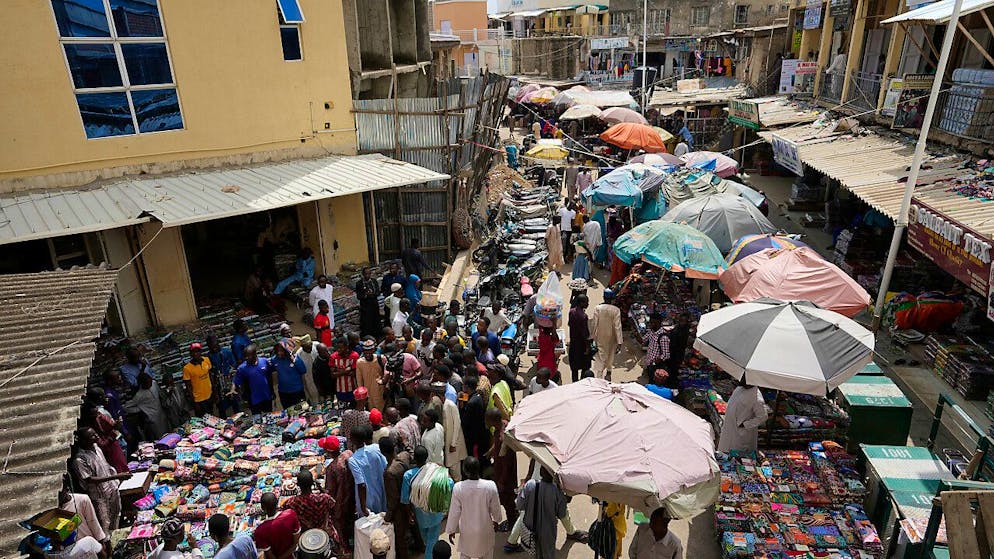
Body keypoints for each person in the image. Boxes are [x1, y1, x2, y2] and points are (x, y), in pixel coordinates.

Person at [71, 427, 131, 533]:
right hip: (99, 496)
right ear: (84, 440)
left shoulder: (97, 448)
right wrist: (116, 476)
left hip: (111, 488)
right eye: (92, 436)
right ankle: (109, 544)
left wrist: (115, 478)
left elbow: (105, 466)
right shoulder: (80, 459)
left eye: (95, 434)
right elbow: (89, 479)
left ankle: (115, 536)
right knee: (104, 523)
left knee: (116, 514)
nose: (97, 436)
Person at [446, 457, 502, 559]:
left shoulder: (458, 488)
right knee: (487, 553)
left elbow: (454, 512)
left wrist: (451, 530)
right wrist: (497, 520)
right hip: (485, 530)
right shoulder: (490, 486)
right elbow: (496, 508)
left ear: (465, 471)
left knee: (465, 554)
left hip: (467, 532)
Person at [401, 446, 451, 558]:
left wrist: (410, 515)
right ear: (427, 457)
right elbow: (450, 483)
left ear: (414, 458)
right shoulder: (435, 472)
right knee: (431, 542)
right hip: (435, 513)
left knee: (428, 541)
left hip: (419, 515)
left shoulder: (408, 475)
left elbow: (405, 499)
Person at [517, 467, 568, 559]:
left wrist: (521, 489)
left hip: (530, 529)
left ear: (540, 472)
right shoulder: (557, 491)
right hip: (548, 532)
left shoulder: (529, 485)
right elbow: (562, 514)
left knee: (533, 554)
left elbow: (519, 505)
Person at [380, 435, 413, 559]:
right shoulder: (404, 457)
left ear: (382, 452)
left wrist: (388, 516)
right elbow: (411, 452)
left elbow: (393, 498)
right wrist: (405, 443)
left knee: (400, 537)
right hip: (409, 500)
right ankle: (421, 547)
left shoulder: (389, 472)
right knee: (413, 527)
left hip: (399, 508)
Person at [485, 408, 518, 533]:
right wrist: (491, 451)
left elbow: (506, 464)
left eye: (487, 420)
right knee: (508, 499)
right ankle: (513, 516)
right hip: (502, 470)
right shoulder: (503, 425)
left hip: (505, 475)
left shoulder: (503, 438)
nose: (486, 422)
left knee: (507, 500)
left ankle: (512, 523)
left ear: (492, 421)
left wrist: (501, 481)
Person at [717, 380, 769, 453]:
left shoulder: (757, 397)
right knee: (723, 452)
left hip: (740, 434)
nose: (740, 380)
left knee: (735, 455)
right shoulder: (739, 389)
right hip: (728, 428)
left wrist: (745, 424)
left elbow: (763, 417)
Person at [320, 436, 354, 547]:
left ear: (328, 451)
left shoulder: (331, 468)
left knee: (341, 525)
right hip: (353, 495)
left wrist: (321, 489)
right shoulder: (348, 453)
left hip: (340, 501)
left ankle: (345, 547)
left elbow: (329, 492)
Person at [348, 424, 388, 517]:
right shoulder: (376, 448)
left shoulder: (353, 460)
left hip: (367, 499)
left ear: (352, 440)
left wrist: (363, 507)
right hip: (382, 493)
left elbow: (361, 483)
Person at [284, 470, 335, 538]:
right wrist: (321, 489)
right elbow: (333, 506)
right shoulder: (324, 498)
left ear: (298, 485)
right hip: (325, 533)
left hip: (305, 536)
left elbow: (282, 511)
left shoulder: (292, 502)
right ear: (312, 483)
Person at [254, 492, 300, 559]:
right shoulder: (290, 514)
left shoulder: (260, 531)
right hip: (292, 554)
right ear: (277, 503)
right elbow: (296, 542)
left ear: (262, 508)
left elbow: (269, 555)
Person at [233, 344, 276, 414]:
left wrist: (272, 391)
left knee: (268, 416)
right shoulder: (242, 368)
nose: (246, 358)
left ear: (255, 354)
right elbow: (236, 381)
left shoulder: (264, 361)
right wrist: (234, 390)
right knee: (257, 420)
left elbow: (270, 377)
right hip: (254, 400)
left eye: (248, 356)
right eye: (245, 356)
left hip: (266, 396)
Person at [590, 289, 623, 379]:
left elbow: (594, 324)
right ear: (612, 298)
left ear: (603, 297)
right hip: (612, 338)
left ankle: (599, 376)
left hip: (600, 336)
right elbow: (618, 326)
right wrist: (619, 342)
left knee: (601, 356)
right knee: (611, 354)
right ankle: (609, 372)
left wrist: (591, 336)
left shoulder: (598, 308)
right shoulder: (616, 310)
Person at [206, 335, 240, 417]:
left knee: (235, 403)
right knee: (221, 407)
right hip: (219, 385)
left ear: (218, 343)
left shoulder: (227, 352)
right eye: (211, 345)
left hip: (229, 382)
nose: (213, 347)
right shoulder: (208, 357)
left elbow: (234, 365)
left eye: (215, 344)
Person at [460, 376, 489, 464]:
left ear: (467, 387)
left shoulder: (472, 403)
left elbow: (465, 421)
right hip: (479, 433)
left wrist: (461, 408)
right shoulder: (477, 396)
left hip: (473, 436)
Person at [131, 372, 168, 438]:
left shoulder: (154, 383)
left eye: (150, 382)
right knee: (160, 437)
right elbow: (127, 407)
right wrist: (141, 409)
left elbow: (160, 394)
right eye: (148, 383)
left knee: (168, 433)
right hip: (152, 420)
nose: (150, 384)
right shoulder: (139, 395)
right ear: (143, 384)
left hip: (161, 414)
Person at [441, 390, 467, 481]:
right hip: (446, 443)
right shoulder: (441, 406)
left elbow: (457, 424)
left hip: (453, 444)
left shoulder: (451, 405)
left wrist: (453, 444)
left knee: (455, 471)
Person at [272, 340, 307, 409]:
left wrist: (294, 360)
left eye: (281, 350)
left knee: (302, 410)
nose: (279, 353)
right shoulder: (274, 360)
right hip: (284, 392)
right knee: (289, 411)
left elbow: (303, 370)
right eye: (277, 351)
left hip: (297, 391)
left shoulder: (295, 357)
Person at [182, 342, 214, 416]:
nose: (196, 354)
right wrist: (194, 402)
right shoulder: (187, 368)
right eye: (193, 352)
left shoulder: (206, 360)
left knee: (212, 417)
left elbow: (210, 376)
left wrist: (214, 391)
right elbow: (188, 387)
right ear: (191, 354)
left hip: (209, 395)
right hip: (199, 399)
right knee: (202, 419)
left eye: (197, 351)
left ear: (201, 352)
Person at [356, 339, 387, 412]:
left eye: (370, 350)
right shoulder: (360, 362)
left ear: (373, 350)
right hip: (368, 395)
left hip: (380, 393)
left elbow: (387, 374)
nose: (368, 354)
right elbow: (359, 380)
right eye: (366, 351)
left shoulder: (381, 359)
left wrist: (386, 387)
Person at [567, 294, 592, 383]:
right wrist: (588, 347)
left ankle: (574, 382)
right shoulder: (583, 316)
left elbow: (569, 324)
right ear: (582, 303)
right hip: (581, 345)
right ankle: (582, 382)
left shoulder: (571, 312)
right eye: (586, 302)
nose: (588, 304)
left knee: (574, 367)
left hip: (573, 343)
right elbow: (585, 334)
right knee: (585, 366)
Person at [291, 335, 321, 405]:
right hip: (309, 378)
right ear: (302, 346)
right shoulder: (299, 354)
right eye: (306, 348)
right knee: (314, 397)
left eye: (310, 347)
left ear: (311, 343)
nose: (308, 350)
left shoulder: (317, 345)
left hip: (320, 376)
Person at [330, 338, 359, 406]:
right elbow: (333, 375)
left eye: (341, 348)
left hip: (353, 389)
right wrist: (347, 370)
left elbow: (354, 373)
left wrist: (339, 371)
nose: (338, 350)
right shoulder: (333, 357)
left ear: (346, 347)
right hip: (340, 390)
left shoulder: (354, 356)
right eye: (337, 348)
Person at [665, 313, 691, 387]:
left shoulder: (685, 330)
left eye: (684, 321)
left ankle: (671, 383)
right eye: (681, 320)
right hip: (672, 352)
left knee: (674, 370)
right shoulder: (677, 328)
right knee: (671, 369)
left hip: (679, 354)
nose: (682, 322)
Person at [643, 314, 670, 382]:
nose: (650, 324)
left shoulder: (663, 337)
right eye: (650, 322)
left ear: (658, 323)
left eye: (652, 323)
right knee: (650, 379)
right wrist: (636, 334)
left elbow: (666, 355)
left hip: (656, 366)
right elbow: (643, 340)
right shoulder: (651, 332)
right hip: (649, 363)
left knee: (654, 382)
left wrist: (655, 362)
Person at [356, 267, 382, 337]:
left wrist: (372, 294)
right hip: (365, 307)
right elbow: (359, 296)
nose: (367, 276)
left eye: (368, 274)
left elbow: (378, 292)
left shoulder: (374, 281)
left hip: (374, 306)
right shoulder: (359, 283)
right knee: (367, 323)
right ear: (363, 274)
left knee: (376, 322)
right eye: (365, 274)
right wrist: (366, 295)